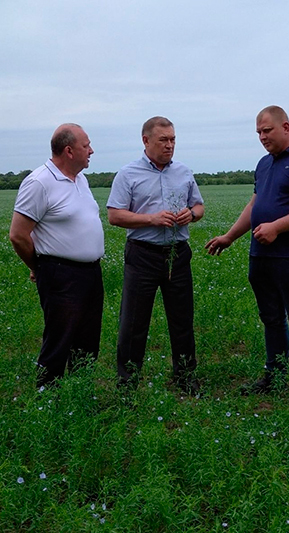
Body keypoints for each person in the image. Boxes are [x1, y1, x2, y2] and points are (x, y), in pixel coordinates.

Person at [206, 106, 289, 394]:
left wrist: (276, 227)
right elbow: (254, 205)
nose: (262, 137)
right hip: (261, 255)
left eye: (267, 130)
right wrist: (230, 236)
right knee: (271, 318)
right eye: (259, 132)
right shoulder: (264, 164)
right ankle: (274, 379)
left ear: (286, 127)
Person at [107, 116, 205, 394]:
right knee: (134, 322)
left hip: (178, 253)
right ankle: (128, 385)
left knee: (182, 320)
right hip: (142, 255)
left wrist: (192, 214)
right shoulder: (127, 174)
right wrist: (150, 219)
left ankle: (186, 379)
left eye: (173, 139)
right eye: (164, 139)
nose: (170, 145)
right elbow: (114, 215)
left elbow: (199, 206)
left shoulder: (184, 172)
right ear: (146, 140)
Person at [9, 123, 104, 389]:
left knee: (87, 339)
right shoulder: (39, 182)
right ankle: (46, 397)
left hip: (90, 273)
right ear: (69, 151)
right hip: (60, 273)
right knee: (60, 338)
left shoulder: (80, 179)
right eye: (86, 146)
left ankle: (79, 394)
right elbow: (18, 235)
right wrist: (38, 266)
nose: (91, 150)